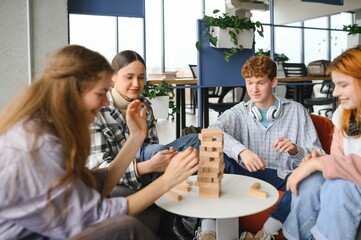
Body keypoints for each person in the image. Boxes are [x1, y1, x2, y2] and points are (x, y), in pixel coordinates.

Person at [0, 45, 202, 240]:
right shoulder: (41, 143)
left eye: (141, 77)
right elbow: (95, 216)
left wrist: (135, 138)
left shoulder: (48, 127)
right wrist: (167, 181)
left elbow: (96, 185)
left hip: (54, 227)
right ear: (72, 91)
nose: (105, 103)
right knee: (127, 228)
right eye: (100, 94)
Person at [202, 55, 323, 240]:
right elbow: (212, 131)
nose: (254, 89)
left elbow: (319, 155)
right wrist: (242, 151)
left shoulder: (297, 111)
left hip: (283, 176)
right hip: (246, 173)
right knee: (211, 151)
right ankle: (208, 232)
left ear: (274, 82)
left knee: (311, 178)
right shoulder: (239, 112)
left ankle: (264, 234)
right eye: (249, 83)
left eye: (260, 83)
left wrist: (295, 150)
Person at [87, 50, 200, 239]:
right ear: (113, 76)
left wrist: (164, 157)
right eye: (129, 77)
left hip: (146, 163)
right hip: (120, 175)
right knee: (161, 153)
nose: (136, 84)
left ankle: (191, 220)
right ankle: (176, 222)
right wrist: (146, 166)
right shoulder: (97, 110)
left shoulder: (144, 104)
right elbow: (99, 168)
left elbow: (150, 145)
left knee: (194, 141)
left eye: (141, 77)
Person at [283, 46, 361, 240]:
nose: (335, 93)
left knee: (340, 189)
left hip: (351, 187)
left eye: (343, 85)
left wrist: (320, 163)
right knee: (309, 181)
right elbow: (338, 159)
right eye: (335, 85)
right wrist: (319, 160)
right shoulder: (343, 114)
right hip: (352, 179)